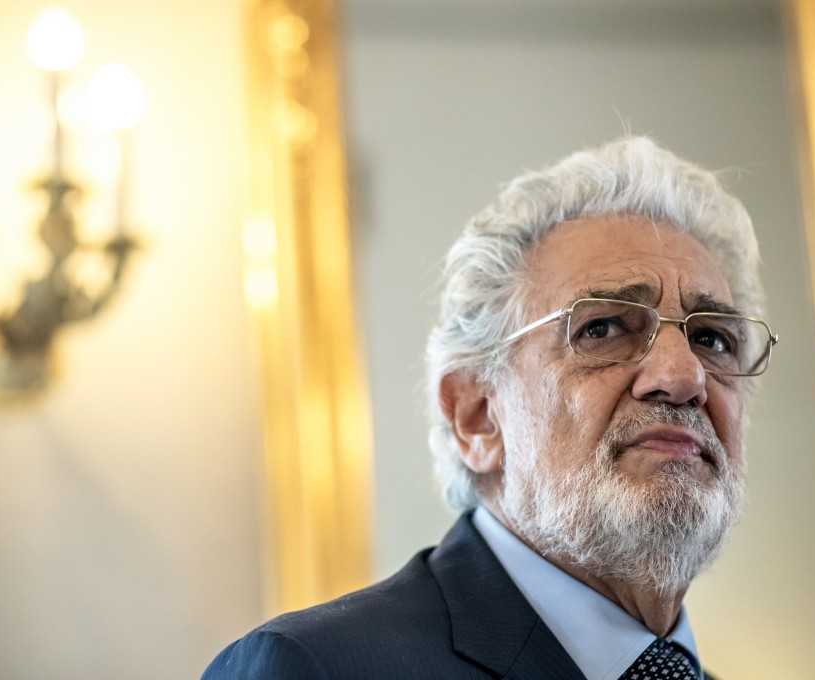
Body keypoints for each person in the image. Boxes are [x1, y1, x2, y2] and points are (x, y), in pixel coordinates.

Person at [202, 137, 778, 680]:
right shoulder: (315, 668)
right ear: (476, 416)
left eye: (712, 338)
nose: (684, 376)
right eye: (603, 328)